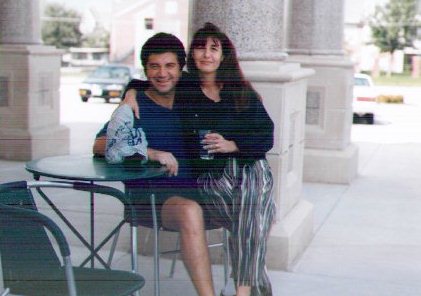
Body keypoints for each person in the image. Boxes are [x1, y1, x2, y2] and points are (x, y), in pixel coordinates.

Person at [122, 23, 276, 296]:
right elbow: (149, 81)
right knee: (256, 214)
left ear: (224, 54)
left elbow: (266, 136)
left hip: (246, 174)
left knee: (255, 184)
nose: (206, 54)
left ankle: (242, 291)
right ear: (191, 56)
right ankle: (253, 287)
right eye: (200, 48)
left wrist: (233, 145)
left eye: (214, 49)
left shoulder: (240, 91)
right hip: (212, 181)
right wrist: (129, 93)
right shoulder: (186, 88)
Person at [93, 33, 217, 296]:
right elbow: (100, 145)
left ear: (180, 68)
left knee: (251, 201)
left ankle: (250, 287)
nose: (162, 73)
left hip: (195, 190)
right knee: (189, 211)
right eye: (154, 66)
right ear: (146, 69)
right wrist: (148, 151)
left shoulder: (192, 99)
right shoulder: (135, 107)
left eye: (169, 66)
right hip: (148, 197)